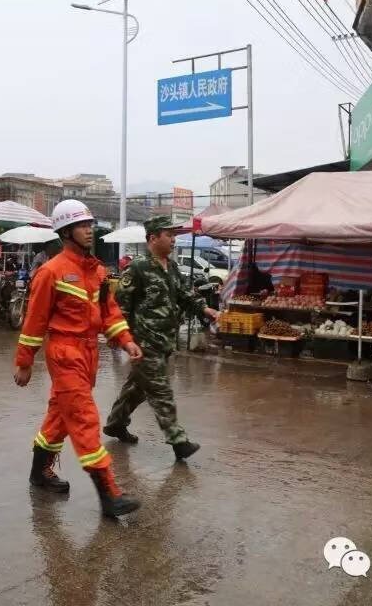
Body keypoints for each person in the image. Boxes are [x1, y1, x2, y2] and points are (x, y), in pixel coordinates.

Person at [14, 199, 144, 518]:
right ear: (66, 232)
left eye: (90, 225)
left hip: (88, 353)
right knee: (85, 419)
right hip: (64, 353)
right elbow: (35, 321)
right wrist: (25, 361)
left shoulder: (97, 271)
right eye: (82, 226)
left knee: (60, 416)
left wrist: (126, 341)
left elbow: (108, 312)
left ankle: (38, 472)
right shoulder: (51, 272)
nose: (89, 230)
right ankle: (109, 494)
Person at [103, 216, 220, 459]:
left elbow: (186, 295)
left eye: (174, 235)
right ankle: (178, 440)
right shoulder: (137, 268)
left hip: (165, 340)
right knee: (160, 390)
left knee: (137, 388)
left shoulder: (172, 267)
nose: (173, 239)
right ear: (153, 238)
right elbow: (119, 308)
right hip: (144, 343)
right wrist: (123, 339)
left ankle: (116, 422)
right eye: (169, 235)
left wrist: (205, 309)